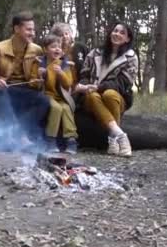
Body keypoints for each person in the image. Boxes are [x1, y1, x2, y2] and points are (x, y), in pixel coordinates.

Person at [0, 11, 50, 146]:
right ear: (17, 29)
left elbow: (39, 76)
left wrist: (41, 76)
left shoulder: (37, 50)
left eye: (33, 29)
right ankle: (18, 137)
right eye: (28, 29)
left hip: (24, 90)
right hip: (3, 89)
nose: (33, 33)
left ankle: (19, 133)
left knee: (44, 101)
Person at [78, 22, 138, 157]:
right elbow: (84, 74)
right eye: (115, 31)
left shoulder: (131, 57)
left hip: (117, 98)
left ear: (128, 39)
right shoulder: (95, 53)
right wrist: (86, 85)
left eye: (122, 33)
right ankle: (119, 136)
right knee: (93, 96)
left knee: (109, 94)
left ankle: (112, 140)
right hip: (91, 98)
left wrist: (99, 87)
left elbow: (123, 83)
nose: (117, 34)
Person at [30, 34, 78, 153]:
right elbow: (33, 83)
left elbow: (68, 84)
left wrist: (61, 73)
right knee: (56, 108)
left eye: (59, 47)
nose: (57, 49)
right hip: (46, 95)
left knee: (66, 108)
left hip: (61, 97)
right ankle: (50, 139)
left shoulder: (64, 64)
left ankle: (71, 139)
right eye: (53, 47)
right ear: (45, 49)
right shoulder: (39, 63)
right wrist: (39, 77)